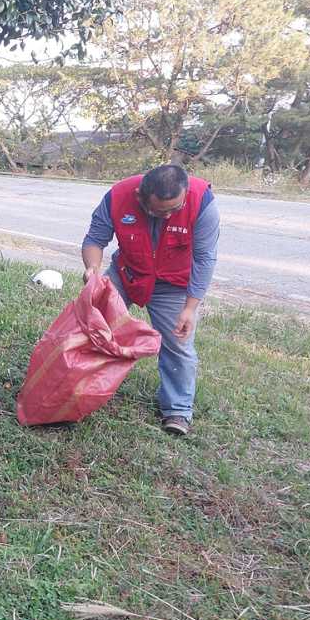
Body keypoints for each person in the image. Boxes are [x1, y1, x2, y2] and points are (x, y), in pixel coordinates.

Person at [81, 164, 220, 436]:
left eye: (173, 210)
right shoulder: (119, 196)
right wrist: (93, 271)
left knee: (179, 343)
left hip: (174, 284)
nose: (167, 216)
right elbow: (94, 239)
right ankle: (81, 387)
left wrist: (190, 308)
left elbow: (205, 258)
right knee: (93, 324)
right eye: (159, 211)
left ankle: (178, 411)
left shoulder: (202, 201)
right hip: (128, 273)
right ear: (140, 196)